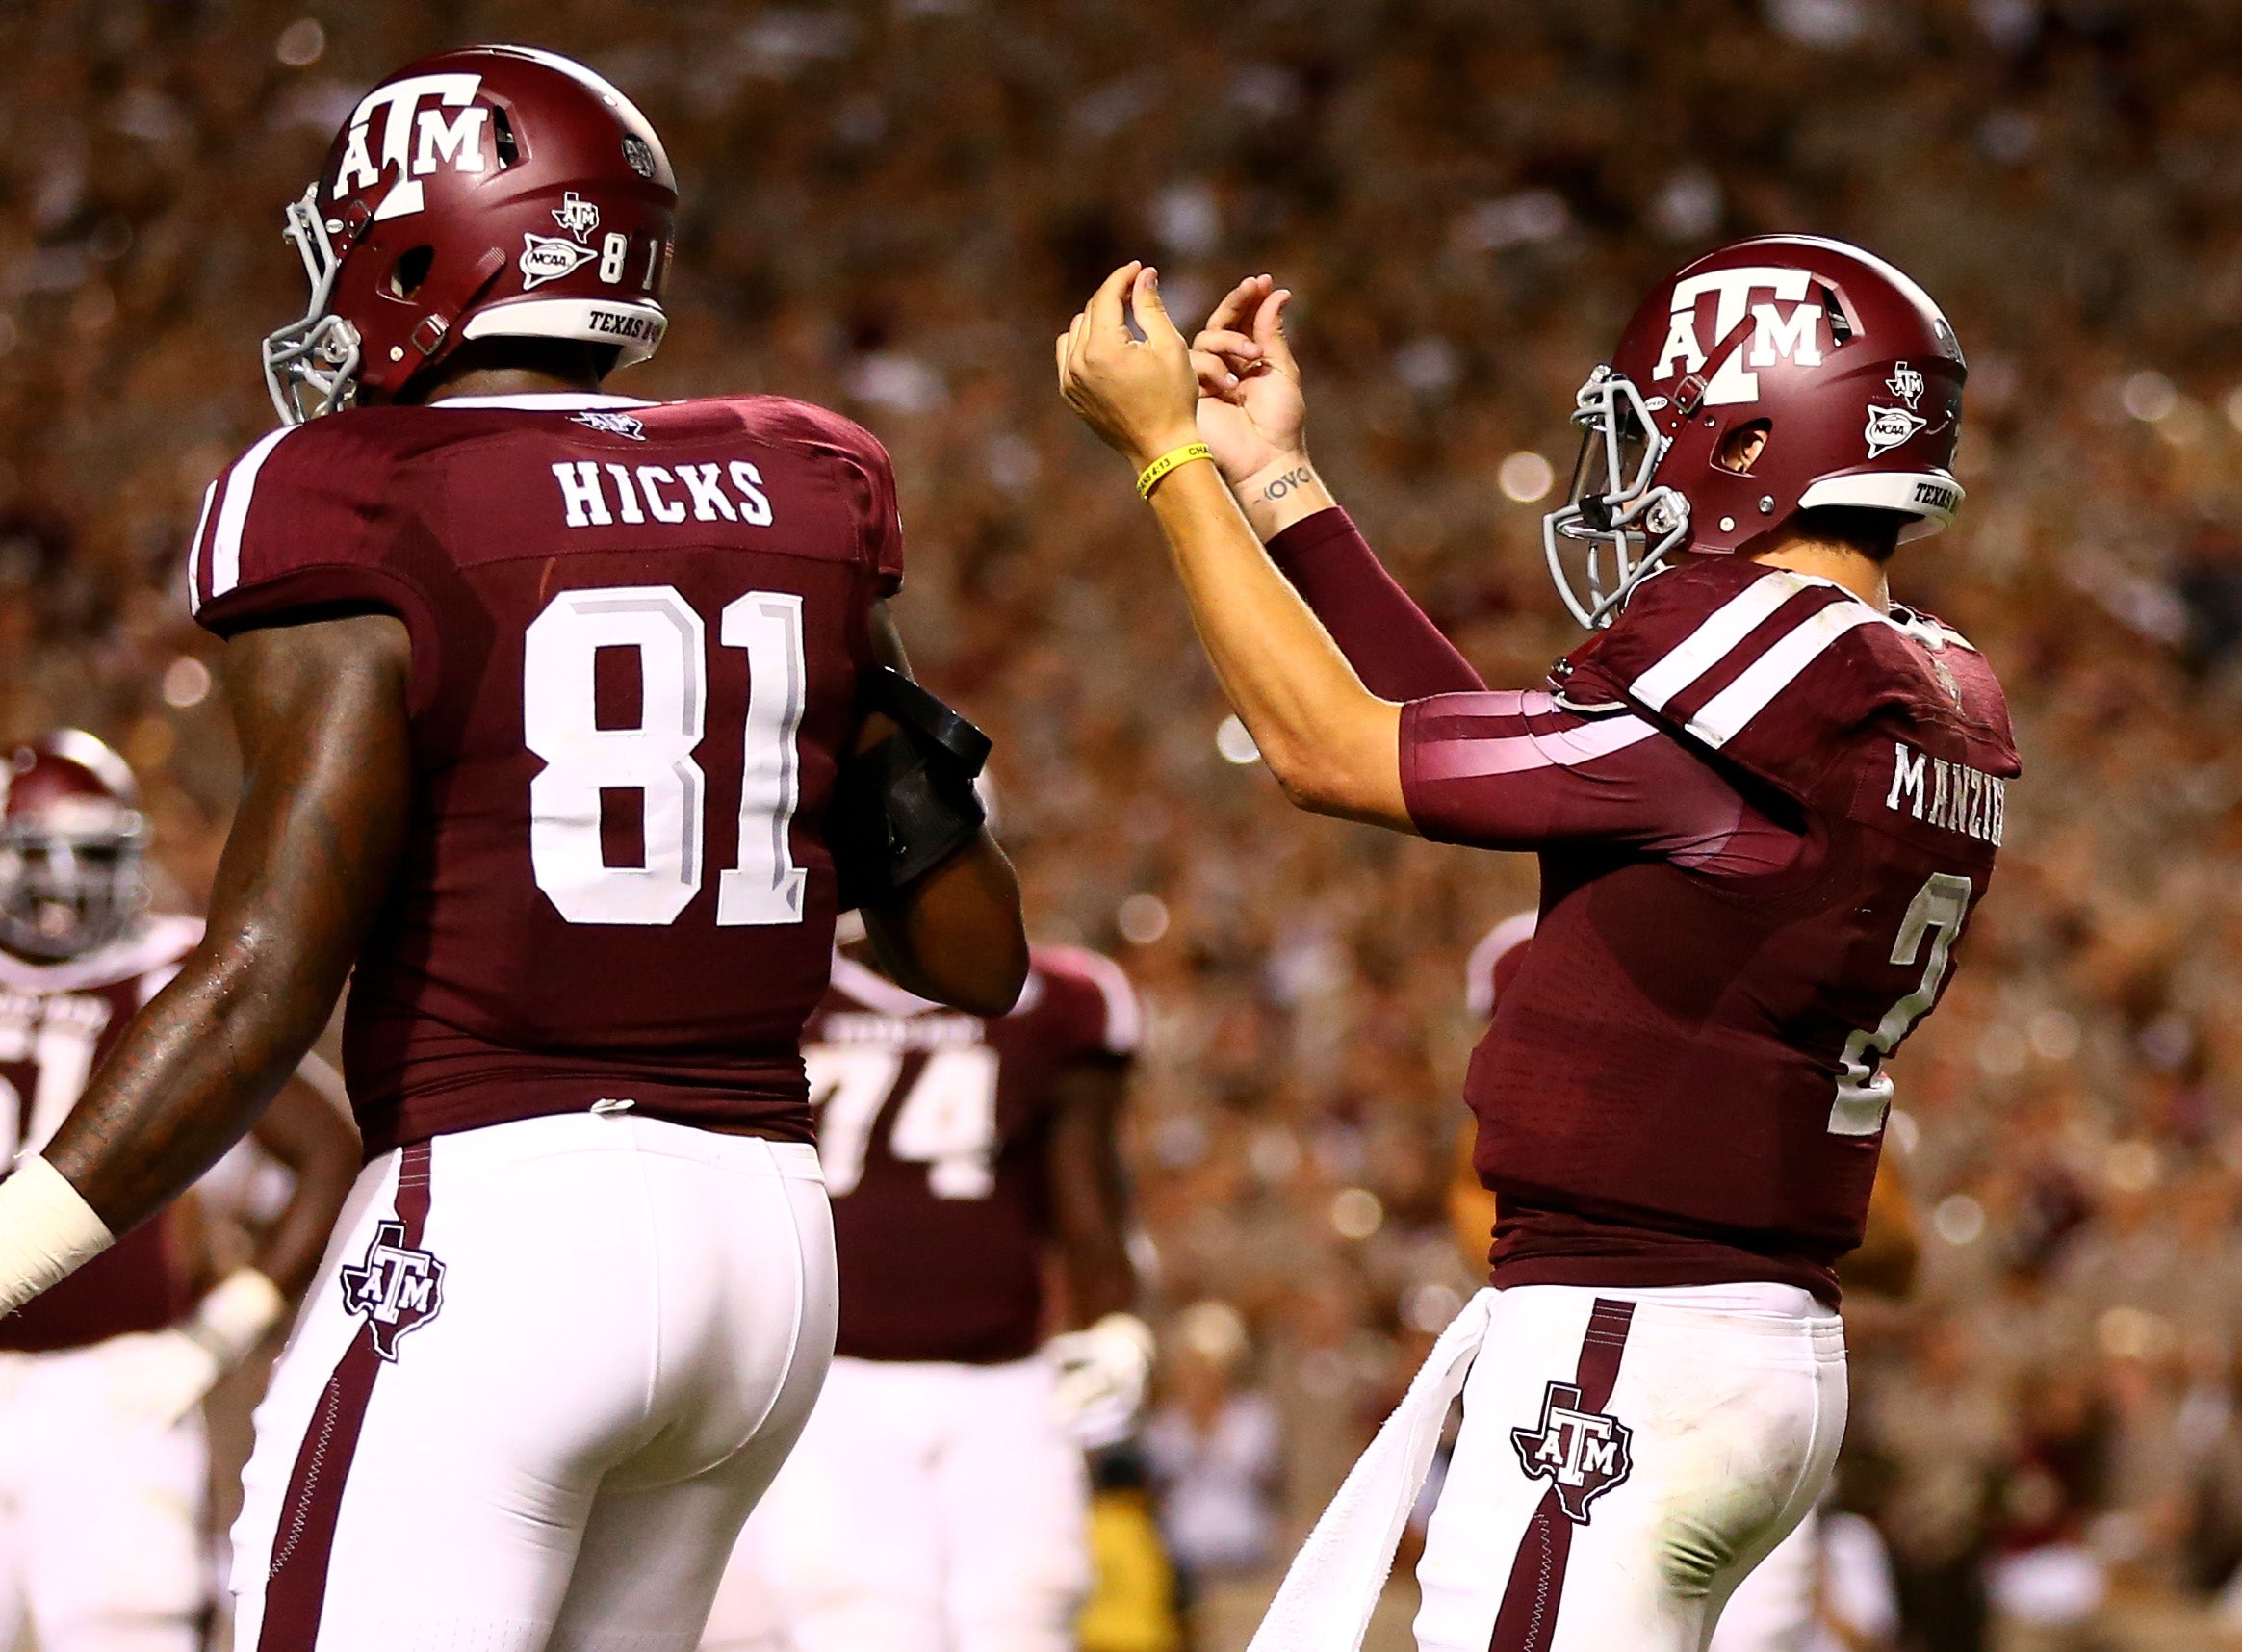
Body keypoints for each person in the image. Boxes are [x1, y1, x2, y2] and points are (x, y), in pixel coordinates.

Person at [0, 45, 1026, 1652]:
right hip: (765, 1253)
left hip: (500, 1226)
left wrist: (13, 1248)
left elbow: (263, 976)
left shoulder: (347, 496)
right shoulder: (801, 481)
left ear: (433, 248)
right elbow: (977, 956)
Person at [1056, 234, 2016, 1652]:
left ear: (1750, 431)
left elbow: (1329, 750)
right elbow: (1482, 751)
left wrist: (1164, 463)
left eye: (1657, 425)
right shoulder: (1907, 675)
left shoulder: (1765, 659)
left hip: (1633, 1337)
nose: (1630, 471)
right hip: (1739, 1340)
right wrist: (1276, 485)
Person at [1465, 911, 1917, 1652]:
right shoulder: (1510, 1098)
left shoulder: (1754, 1059)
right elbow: (1477, 1215)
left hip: (1726, 1396)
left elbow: (1900, 1250)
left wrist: (1726, 1202)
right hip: (1563, 1421)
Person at [0, 730, 361, 1652]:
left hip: (113, 1381)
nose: (63, 887)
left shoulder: (171, 971)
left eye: (89, 855)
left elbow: (327, 1152)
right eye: (38, 857)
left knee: (127, 1629)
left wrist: (223, 1328)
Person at [702, 925, 1146, 1652]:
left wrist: (1113, 1325)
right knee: (862, 1609)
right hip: (830, 1371)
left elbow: (1090, 1192)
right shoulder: (774, 986)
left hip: (1006, 1371)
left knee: (1028, 1603)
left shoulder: (1057, 1000)